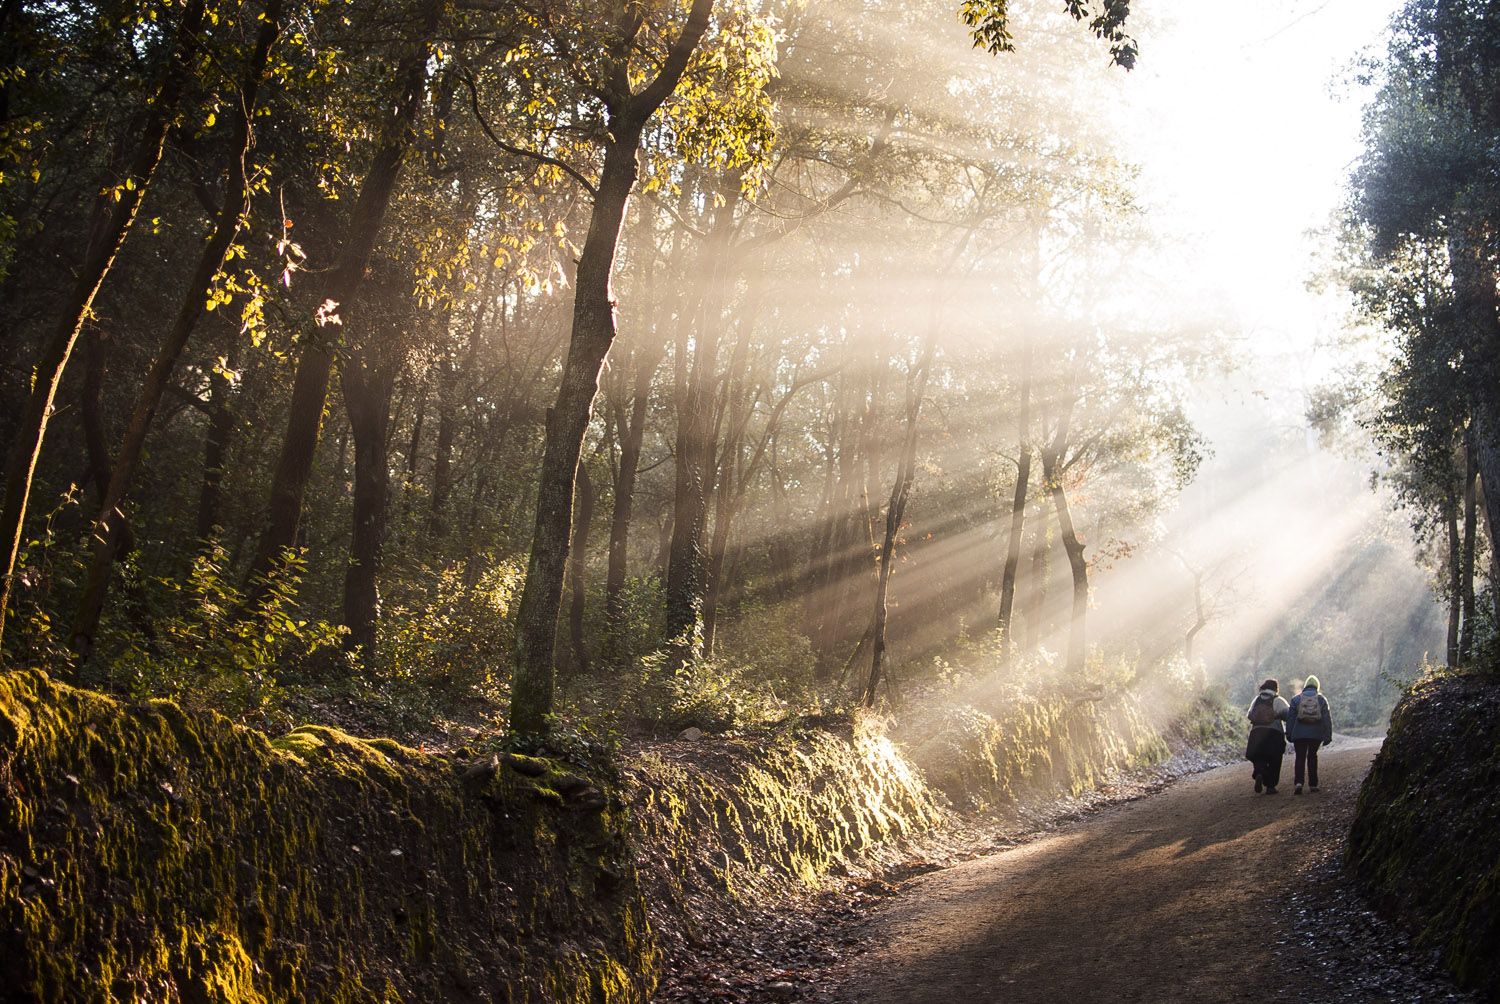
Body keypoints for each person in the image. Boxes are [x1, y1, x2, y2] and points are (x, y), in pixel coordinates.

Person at [1286, 675, 1333, 794]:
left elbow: (1290, 718)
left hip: (1299, 734)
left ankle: (1298, 783)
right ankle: (1313, 785)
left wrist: (1289, 734)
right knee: (1312, 756)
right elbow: (1327, 719)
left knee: (1300, 757)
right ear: (1317, 686)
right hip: (1315, 734)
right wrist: (1328, 735)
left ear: (1306, 685)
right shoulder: (1321, 700)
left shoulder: (1296, 699)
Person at [1244, 678, 1290, 794]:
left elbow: (1249, 715)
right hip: (1274, 734)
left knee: (1259, 756)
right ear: (1275, 689)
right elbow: (1288, 715)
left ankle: (1259, 773)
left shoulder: (1257, 700)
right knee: (1275, 759)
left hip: (1256, 732)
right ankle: (1271, 786)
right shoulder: (1278, 700)